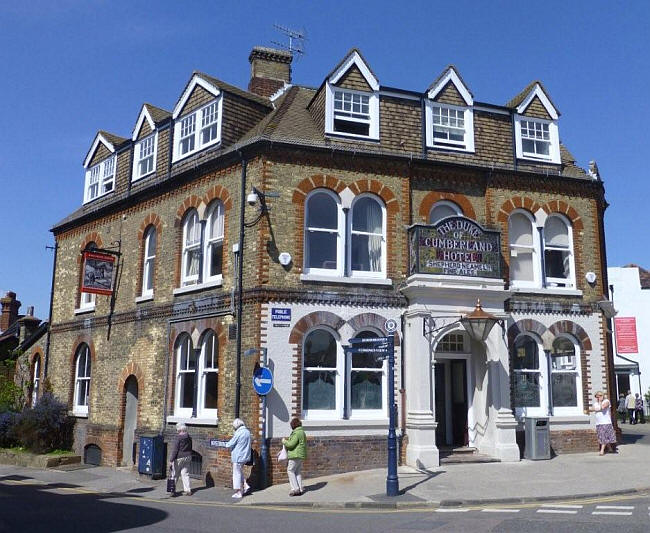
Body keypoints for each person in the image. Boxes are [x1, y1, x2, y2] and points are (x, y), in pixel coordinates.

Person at [225, 418, 251, 499]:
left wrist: (226, 444)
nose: (234, 428)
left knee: (236, 474)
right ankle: (245, 486)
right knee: (239, 472)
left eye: (234, 427)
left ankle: (238, 492)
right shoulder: (247, 432)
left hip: (238, 457)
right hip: (245, 456)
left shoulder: (238, 433)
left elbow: (231, 443)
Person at [282, 417, 307, 496]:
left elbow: (291, 444)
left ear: (293, 425)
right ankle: (300, 488)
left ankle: (295, 489)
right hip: (300, 455)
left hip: (295, 455)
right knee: (297, 472)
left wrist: (284, 441)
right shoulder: (302, 432)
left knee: (290, 470)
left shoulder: (296, 433)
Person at [169, 423, 193, 496]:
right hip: (188, 456)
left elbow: (175, 450)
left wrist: (171, 460)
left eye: (177, 430)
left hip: (179, 457)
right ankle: (188, 490)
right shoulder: (189, 437)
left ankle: (172, 490)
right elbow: (191, 447)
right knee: (185, 474)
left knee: (175, 474)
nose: (177, 431)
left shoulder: (178, 438)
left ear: (179, 429)